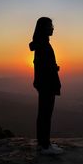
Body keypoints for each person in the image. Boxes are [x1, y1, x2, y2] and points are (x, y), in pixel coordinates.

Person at [29, 17, 63, 155]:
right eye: (50, 25)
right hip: (46, 84)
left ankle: (44, 143)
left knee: (44, 113)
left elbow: (40, 64)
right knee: (45, 114)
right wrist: (54, 69)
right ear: (44, 28)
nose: (53, 28)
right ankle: (45, 146)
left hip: (43, 83)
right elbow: (41, 65)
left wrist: (53, 67)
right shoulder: (43, 44)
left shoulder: (41, 43)